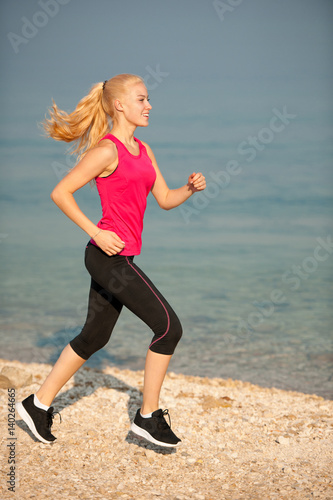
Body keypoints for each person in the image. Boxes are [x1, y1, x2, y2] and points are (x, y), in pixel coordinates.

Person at [16, 74, 206, 448]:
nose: (148, 105)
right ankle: (148, 417)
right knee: (169, 328)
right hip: (108, 257)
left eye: (148, 99)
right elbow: (61, 192)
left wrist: (189, 188)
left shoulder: (144, 150)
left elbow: (164, 198)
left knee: (93, 337)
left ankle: (36, 406)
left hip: (120, 257)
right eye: (141, 99)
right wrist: (96, 231)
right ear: (119, 105)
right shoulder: (107, 151)